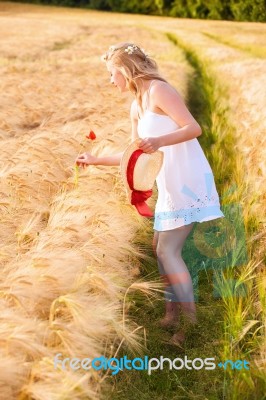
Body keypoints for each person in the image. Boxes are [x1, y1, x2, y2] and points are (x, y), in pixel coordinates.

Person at [76, 42, 225, 347]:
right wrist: (95, 160)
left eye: (112, 73)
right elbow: (134, 153)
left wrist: (158, 140)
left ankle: (190, 324)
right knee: (159, 247)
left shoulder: (159, 91)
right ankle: (171, 314)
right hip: (169, 183)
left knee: (167, 251)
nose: (110, 80)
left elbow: (193, 127)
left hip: (187, 179)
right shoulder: (136, 105)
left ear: (126, 69)